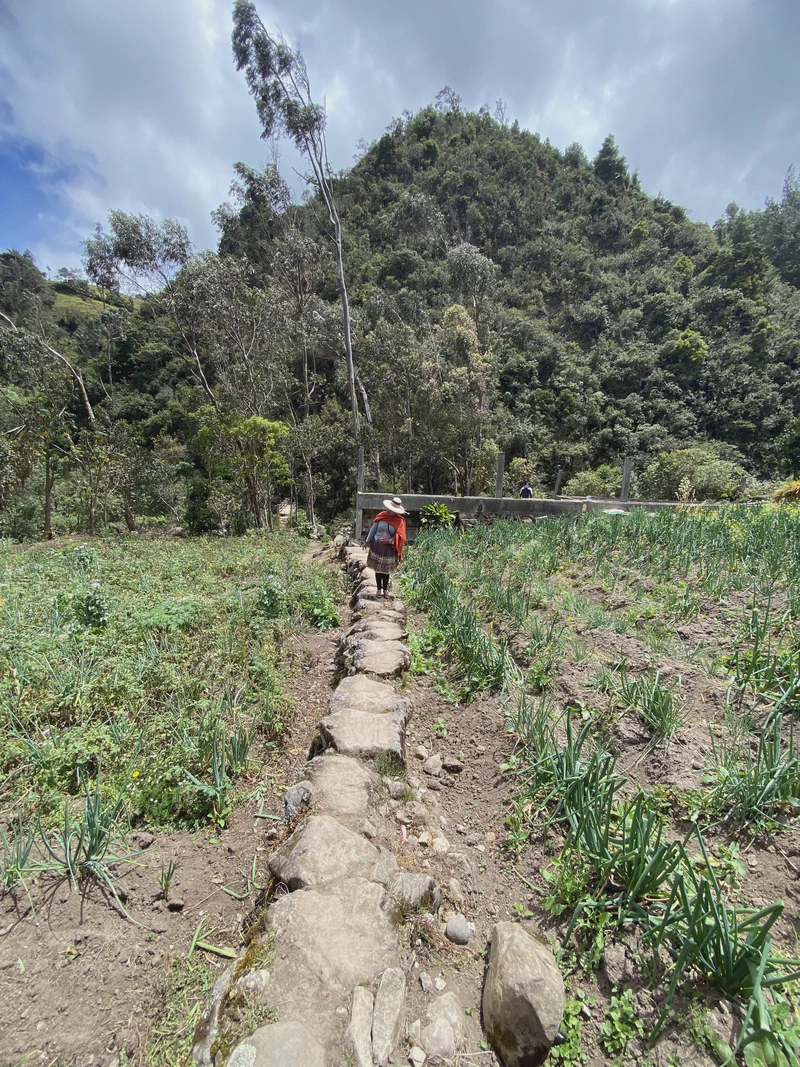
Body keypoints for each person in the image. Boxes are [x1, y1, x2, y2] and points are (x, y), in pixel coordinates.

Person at [365, 496, 407, 598]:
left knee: (386, 570)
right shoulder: (381, 516)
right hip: (377, 546)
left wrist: (388, 541)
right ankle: (379, 589)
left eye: (394, 511)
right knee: (378, 569)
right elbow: (373, 529)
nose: (391, 512)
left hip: (389, 548)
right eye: (390, 510)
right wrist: (367, 540)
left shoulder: (399, 521)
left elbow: (401, 537)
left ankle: (385, 590)